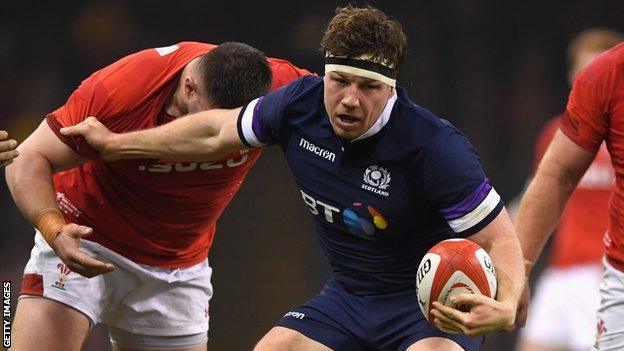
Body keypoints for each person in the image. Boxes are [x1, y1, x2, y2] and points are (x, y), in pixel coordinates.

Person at [61, 6, 525, 351]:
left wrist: (504, 305)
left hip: (424, 311)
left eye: (368, 87)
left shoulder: (435, 147)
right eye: (339, 80)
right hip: (345, 298)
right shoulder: (297, 105)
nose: (348, 100)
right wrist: (118, 145)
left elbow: (501, 239)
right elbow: (214, 130)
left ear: (392, 88)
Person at [5, 41, 310, 351]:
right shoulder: (121, 89)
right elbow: (28, 156)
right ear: (190, 88)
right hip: (84, 241)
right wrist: (52, 228)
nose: (222, 136)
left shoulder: (282, 87)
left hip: (177, 265)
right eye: (211, 121)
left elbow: (342, 101)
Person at [511, 29, 624, 351]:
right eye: (583, 68)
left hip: (603, 272)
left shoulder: (612, 135)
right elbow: (537, 192)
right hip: (561, 272)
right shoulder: (555, 135)